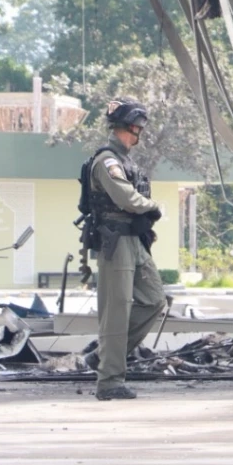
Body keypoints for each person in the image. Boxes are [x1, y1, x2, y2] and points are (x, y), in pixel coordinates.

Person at [83, 98, 165, 401]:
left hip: (134, 239)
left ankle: (104, 357)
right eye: (137, 126)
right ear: (129, 127)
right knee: (117, 313)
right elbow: (126, 197)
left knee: (154, 300)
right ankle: (109, 382)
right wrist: (153, 206)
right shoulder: (108, 160)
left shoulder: (124, 159)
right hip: (115, 241)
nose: (139, 132)